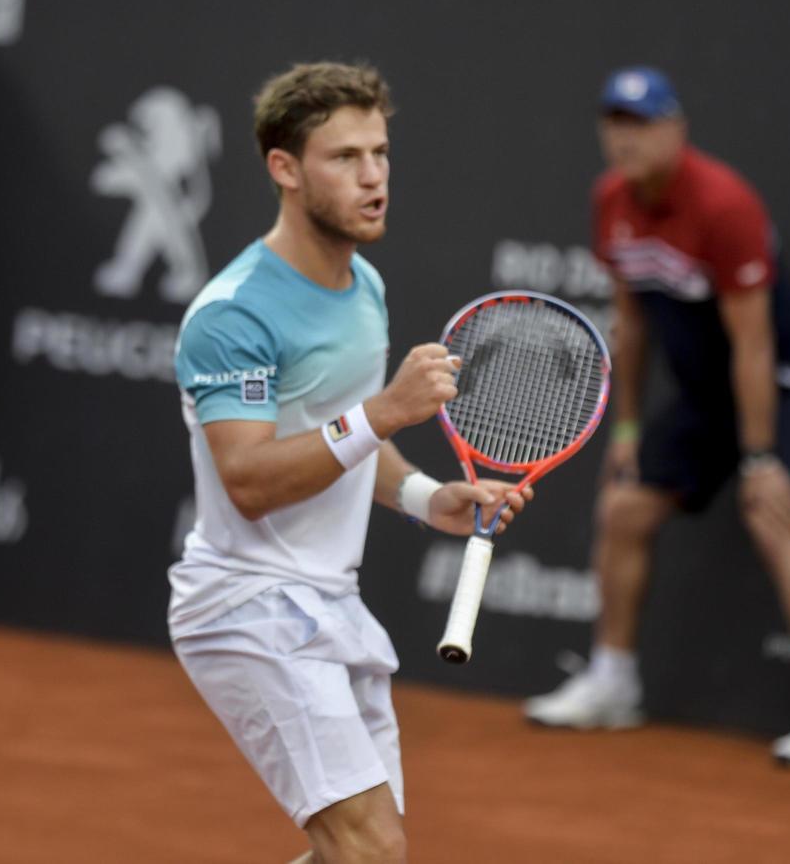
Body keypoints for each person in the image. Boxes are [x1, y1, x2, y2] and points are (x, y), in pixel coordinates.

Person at [169, 61, 532, 863]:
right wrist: (381, 410)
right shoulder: (231, 317)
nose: (373, 178)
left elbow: (349, 445)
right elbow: (251, 482)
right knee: (372, 851)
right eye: (345, 158)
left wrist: (427, 497)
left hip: (329, 603)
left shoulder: (363, 286)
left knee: (351, 857)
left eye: (380, 153)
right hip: (248, 607)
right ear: (285, 169)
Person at [523, 67, 790, 771]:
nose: (625, 138)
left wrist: (761, 456)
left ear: (676, 130)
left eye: (641, 123)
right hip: (707, 393)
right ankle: (614, 682)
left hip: (781, 378)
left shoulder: (723, 203)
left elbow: (753, 342)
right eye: (614, 124)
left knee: (775, 517)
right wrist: (623, 431)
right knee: (622, 509)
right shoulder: (610, 202)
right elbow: (630, 322)